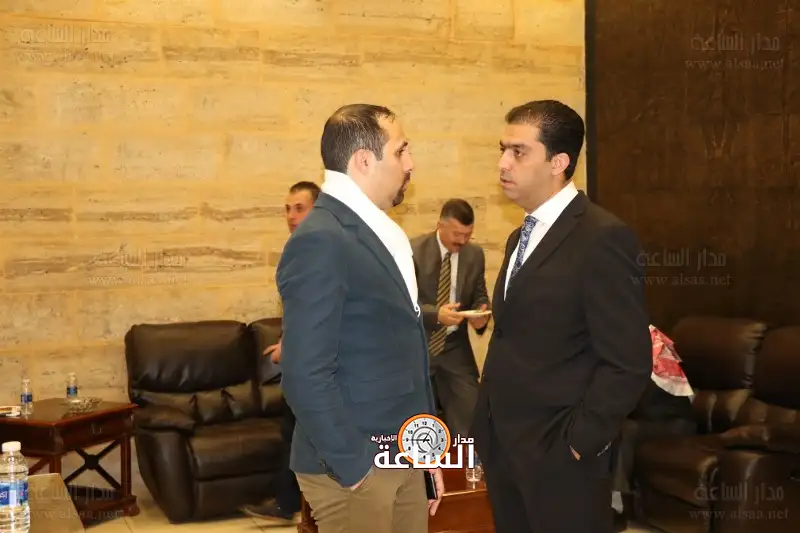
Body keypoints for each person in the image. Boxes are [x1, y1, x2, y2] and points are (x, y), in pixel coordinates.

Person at [469, 100, 652, 533]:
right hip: (505, 447)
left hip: (560, 457)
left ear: (559, 162)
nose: (503, 163)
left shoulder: (602, 237)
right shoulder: (520, 236)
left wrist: (579, 442)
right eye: (502, 149)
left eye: (519, 151)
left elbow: (627, 361)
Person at [276, 103, 444, 533]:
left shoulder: (380, 231)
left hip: (403, 453)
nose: (411, 163)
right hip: (356, 468)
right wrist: (356, 469)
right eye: (401, 150)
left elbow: (407, 356)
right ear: (364, 160)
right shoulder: (321, 239)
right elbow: (304, 372)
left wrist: (426, 450)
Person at [241, 180, 320, 523]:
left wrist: (291, 346)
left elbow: (318, 308)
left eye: (299, 208)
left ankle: (294, 506)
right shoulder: (298, 248)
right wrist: (287, 340)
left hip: (317, 365)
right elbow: (297, 307)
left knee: (302, 435)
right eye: (287, 209)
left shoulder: (320, 250)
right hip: (302, 361)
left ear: (317, 209)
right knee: (294, 433)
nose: (290, 216)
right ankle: (290, 504)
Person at [411, 199, 490, 439]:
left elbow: (479, 295)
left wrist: (481, 315)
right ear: (440, 225)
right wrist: (436, 315)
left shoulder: (474, 255)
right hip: (419, 345)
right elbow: (403, 303)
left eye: (467, 235)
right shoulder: (413, 251)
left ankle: (470, 460)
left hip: (455, 347)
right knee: (416, 421)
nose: (462, 241)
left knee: (472, 415)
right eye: (457, 234)